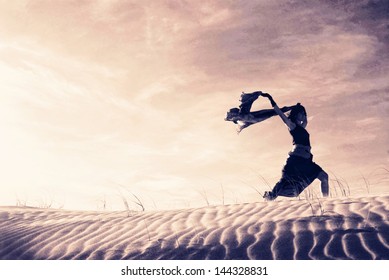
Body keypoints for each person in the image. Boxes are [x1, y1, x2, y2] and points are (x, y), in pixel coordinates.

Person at [226, 91, 329, 200]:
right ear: (296, 114)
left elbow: (306, 120)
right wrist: (270, 99)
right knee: (285, 183)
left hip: (307, 162)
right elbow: (279, 113)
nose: (303, 115)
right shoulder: (292, 126)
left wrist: (299, 107)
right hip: (296, 160)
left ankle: (326, 201)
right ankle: (270, 196)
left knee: (323, 177)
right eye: (301, 113)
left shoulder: (303, 127)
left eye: (303, 113)